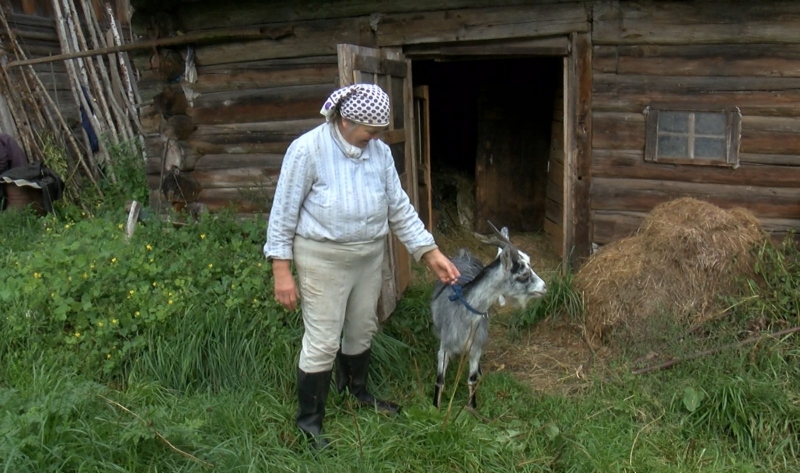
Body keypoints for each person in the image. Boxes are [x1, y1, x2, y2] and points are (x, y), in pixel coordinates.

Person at [264, 83, 460, 449]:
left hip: (369, 255)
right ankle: (309, 424)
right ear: (346, 120)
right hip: (323, 258)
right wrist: (281, 270)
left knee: (362, 328)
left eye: (379, 131)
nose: (375, 137)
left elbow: (398, 207)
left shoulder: (379, 152)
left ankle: (356, 393)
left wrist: (429, 253)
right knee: (323, 340)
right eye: (371, 130)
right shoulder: (307, 150)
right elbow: (283, 212)